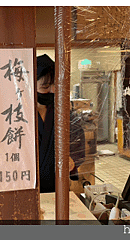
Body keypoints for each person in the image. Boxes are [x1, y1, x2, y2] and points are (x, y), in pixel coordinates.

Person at [35, 55, 85, 193]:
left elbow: (78, 141)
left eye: (55, 85)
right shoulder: (20, 114)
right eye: (45, 86)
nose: (52, 90)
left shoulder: (63, 110)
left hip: (57, 184)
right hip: (28, 184)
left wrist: (72, 160)